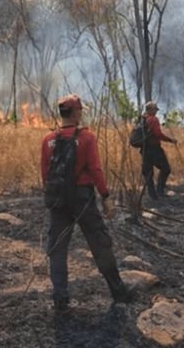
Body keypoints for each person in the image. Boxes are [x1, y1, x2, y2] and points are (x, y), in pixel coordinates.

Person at [40, 94, 135, 312]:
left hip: (58, 201)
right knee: (99, 243)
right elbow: (95, 169)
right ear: (74, 113)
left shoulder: (48, 140)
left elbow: (45, 173)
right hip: (82, 198)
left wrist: (55, 195)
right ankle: (119, 292)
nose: (82, 113)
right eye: (80, 110)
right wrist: (106, 196)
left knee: (57, 249)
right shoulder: (87, 138)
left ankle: (60, 300)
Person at [141, 101, 177, 200]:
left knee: (148, 172)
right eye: (155, 109)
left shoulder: (142, 120)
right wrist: (170, 140)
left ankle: (153, 196)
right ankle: (160, 191)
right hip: (155, 149)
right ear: (150, 110)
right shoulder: (153, 119)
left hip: (144, 149)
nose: (156, 112)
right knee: (166, 168)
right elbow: (158, 134)